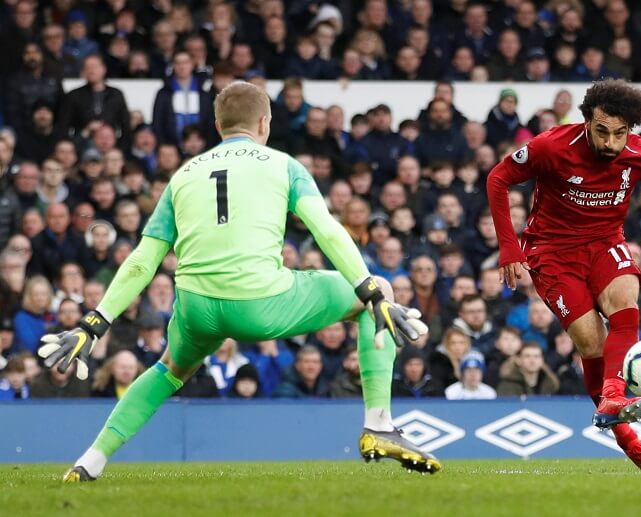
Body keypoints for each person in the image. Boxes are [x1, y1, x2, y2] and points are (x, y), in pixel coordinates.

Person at [37, 82, 435, 482]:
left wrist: (96, 323)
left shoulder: (182, 176)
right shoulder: (284, 164)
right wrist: (367, 288)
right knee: (380, 292)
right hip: (259, 303)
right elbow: (326, 230)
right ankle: (379, 425)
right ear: (264, 122)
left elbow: (143, 259)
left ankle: (90, 461)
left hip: (196, 307)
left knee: (169, 370)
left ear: (217, 125)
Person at [486, 79, 641, 470]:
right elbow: (498, 178)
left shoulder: (639, 152)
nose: (611, 143)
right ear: (586, 121)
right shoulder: (552, 146)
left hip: (604, 242)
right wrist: (509, 246)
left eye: (620, 133)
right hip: (552, 251)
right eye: (602, 131)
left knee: (626, 299)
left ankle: (614, 394)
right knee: (591, 344)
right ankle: (631, 444)